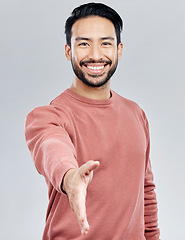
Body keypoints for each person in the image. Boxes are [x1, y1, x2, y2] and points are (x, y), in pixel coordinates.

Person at [25, 2, 160, 240]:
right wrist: (69, 177)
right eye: (84, 44)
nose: (96, 55)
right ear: (69, 51)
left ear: (119, 50)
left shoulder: (136, 114)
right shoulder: (49, 116)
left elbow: (146, 191)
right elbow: (52, 148)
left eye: (105, 43)